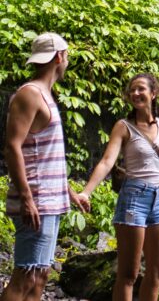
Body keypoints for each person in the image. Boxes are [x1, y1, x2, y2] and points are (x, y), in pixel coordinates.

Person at [79, 73, 159, 301]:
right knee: (129, 273)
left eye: (141, 89)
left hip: (158, 201)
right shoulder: (124, 126)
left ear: (154, 93)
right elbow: (107, 161)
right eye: (132, 91)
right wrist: (86, 191)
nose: (135, 94)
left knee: (158, 270)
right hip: (133, 199)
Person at [1, 32, 87, 301]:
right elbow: (12, 146)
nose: (68, 60)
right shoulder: (30, 94)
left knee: (40, 275)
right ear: (59, 56)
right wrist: (27, 198)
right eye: (68, 56)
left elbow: (47, 154)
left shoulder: (45, 95)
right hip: (36, 201)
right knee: (25, 276)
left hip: (50, 200)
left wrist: (69, 191)